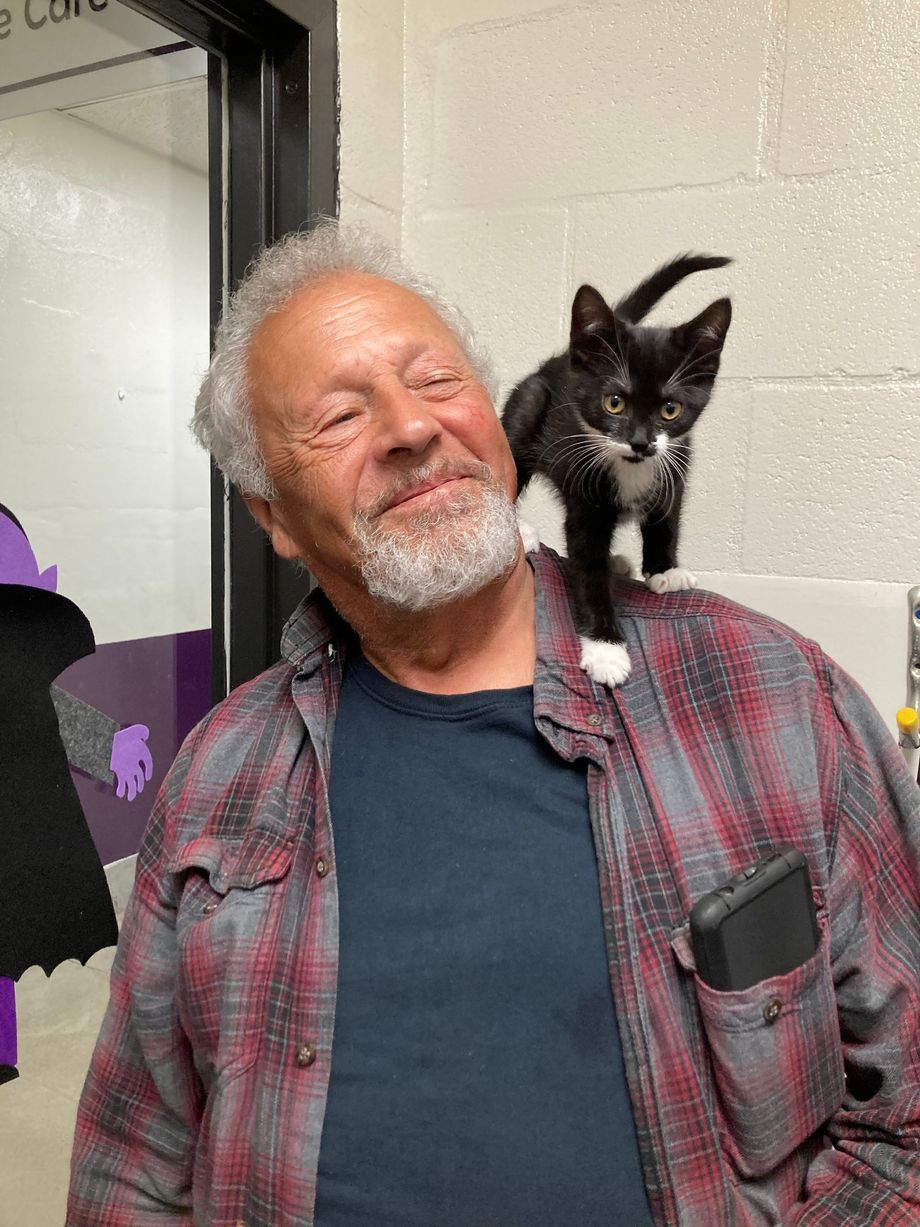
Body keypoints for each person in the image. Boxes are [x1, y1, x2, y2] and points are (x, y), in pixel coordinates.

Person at [67, 221, 920, 1226]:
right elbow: (135, 1163)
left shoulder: (771, 698)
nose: (410, 429)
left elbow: (901, 1120)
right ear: (273, 519)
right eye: (340, 415)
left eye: (436, 384)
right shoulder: (219, 775)